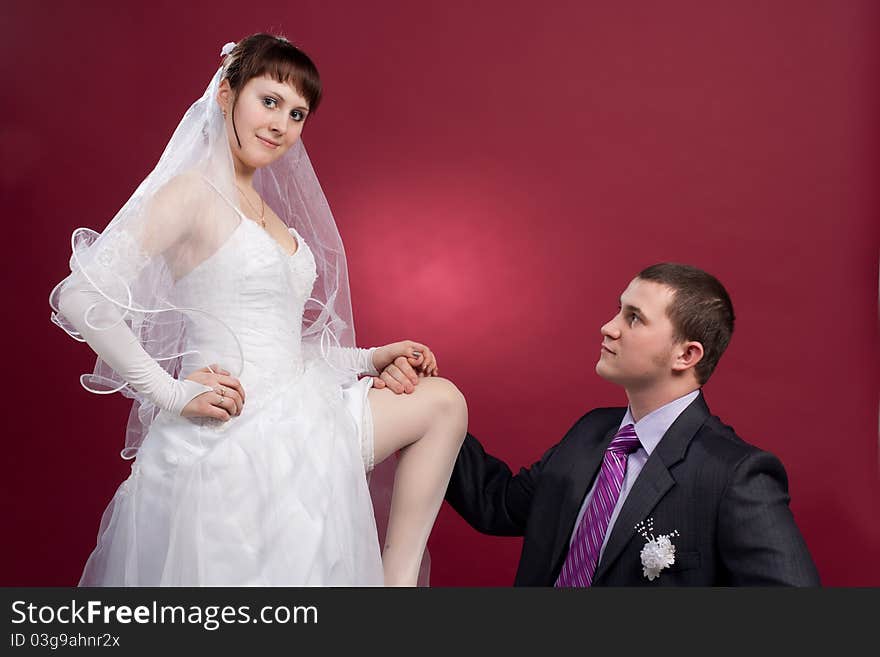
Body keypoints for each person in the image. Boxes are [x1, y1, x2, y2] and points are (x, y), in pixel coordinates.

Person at [50, 34, 467, 586]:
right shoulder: (191, 194)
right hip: (230, 432)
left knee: (442, 402)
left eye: (297, 114)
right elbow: (81, 298)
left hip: (302, 412)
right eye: (269, 102)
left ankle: (396, 589)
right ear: (227, 93)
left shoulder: (270, 214)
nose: (282, 125)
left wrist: (370, 357)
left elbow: (279, 344)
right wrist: (170, 391)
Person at [386, 263, 819, 585]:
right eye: (618, 310)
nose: (608, 327)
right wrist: (427, 402)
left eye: (634, 318)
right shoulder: (591, 433)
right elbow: (496, 503)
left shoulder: (734, 474)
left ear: (686, 356)